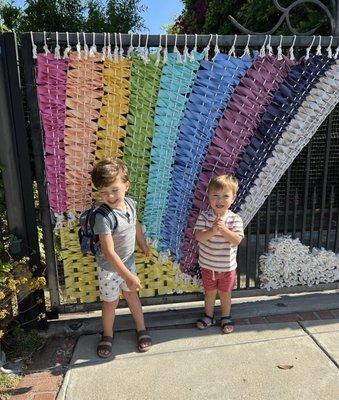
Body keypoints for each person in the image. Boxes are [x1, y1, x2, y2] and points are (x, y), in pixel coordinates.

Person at [91, 158, 151, 358]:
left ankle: (141, 329)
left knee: (133, 297)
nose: (109, 196)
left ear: (126, 185)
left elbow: (135, 224)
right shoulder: (103, 216)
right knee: (110, 303)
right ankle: (107, 335)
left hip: (128, 263)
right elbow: (109, 252)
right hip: (109, 270)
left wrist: (142, 243)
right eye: (103, 192)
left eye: (114, 190)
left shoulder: (131, 204)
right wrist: (128, 276)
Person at [194, 175, 244, 334]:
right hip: (208, 266)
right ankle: (208, 316)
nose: (220, 200)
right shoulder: (204, 216)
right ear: (209, 196)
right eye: (215, 195)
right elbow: (199, 237)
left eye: (225, 196)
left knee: (225, 293)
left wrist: (223, 230)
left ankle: (225, 316)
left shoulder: (235, 219)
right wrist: (212, 230)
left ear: (233, 198)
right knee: (209, 293)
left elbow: (236, 240)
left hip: (227, 268)